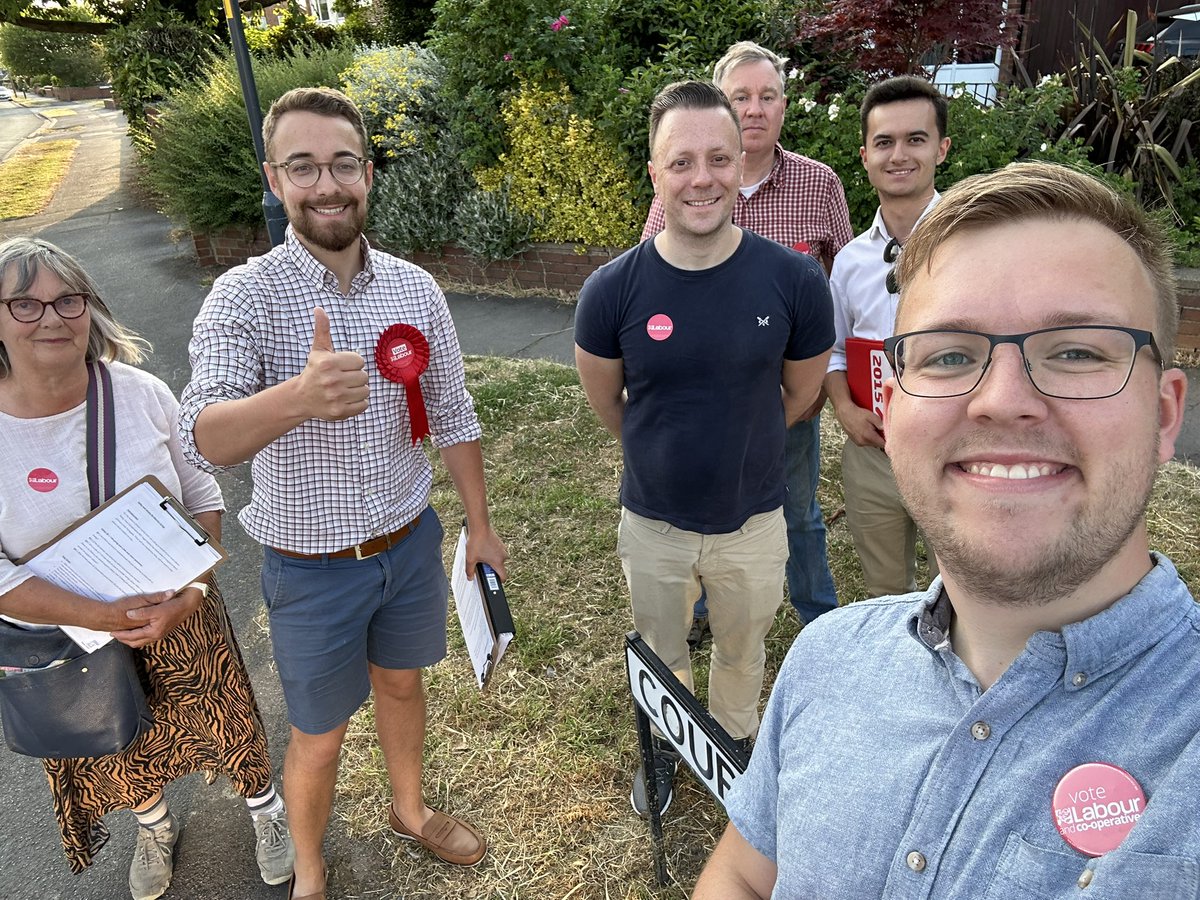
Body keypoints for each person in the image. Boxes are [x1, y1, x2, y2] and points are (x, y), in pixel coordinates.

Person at [693, 161, 1194, 898]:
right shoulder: (825, 658)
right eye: (951, 355)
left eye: (1078, 350)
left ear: (1164, 413)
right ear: (891, 410)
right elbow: (743, 871)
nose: (1002, 401)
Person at [178, 87, 507, 900]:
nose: (327, 185)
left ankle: (408, 809)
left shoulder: (415, 291)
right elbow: (201, 434)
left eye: (343, 164)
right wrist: (298, 397)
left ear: (368, 173)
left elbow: (455, 413)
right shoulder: (244, 296)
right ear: (274, 177)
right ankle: (313, 874)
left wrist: (481, 525)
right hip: (310, 568)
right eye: (303, 167)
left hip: (407, 544)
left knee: (403, 684)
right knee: (319, 737)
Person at [0, 237, 292, 900]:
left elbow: (204, 496)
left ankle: (268, 814)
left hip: (179, 609)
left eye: (67, 299)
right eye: (24, 303)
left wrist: (190, 591)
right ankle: (154, 828)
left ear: (90, 308)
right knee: (119, 739)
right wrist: (90, 614)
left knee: (228, 719)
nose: (52, 317)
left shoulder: (140, 393)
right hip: (67, 633)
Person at [575, 80, 833, 819]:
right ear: (654, 172)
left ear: (740, 159)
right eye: (681, 161)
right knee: (662, 653)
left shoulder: (793, 281)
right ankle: (663, 746)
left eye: (719, 158)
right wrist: (663, 451)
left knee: (743, 649)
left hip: (754, 520)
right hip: (653, 524)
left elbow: (801, 394)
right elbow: (608, 403)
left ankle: (733, 743)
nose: (702, 178)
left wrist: (739, 444)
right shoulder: (611, 290)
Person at [643, 41, 852, 635]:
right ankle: (705, 608)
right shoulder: (687, 186)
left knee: (799, 507)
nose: (755, 109)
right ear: (724, 110)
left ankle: (818, 618)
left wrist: (817, 379)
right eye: (742, 97)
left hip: (790, 395)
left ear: (784, 106)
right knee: (709, 506)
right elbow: (651, 277)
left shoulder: (819, 185)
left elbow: (841, 279)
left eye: (768, 96)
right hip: (701, 395)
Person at [824, 75, 951, 597]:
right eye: (884, 142)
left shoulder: (975, 245)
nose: (899, 155)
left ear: (941, 149)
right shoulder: (851, 262)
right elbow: (833, 351)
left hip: (955, 449)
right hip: (873, 454)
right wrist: (845, 411)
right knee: (886, 595)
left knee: (972, 590)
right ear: (865, 156)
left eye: (915, 139)